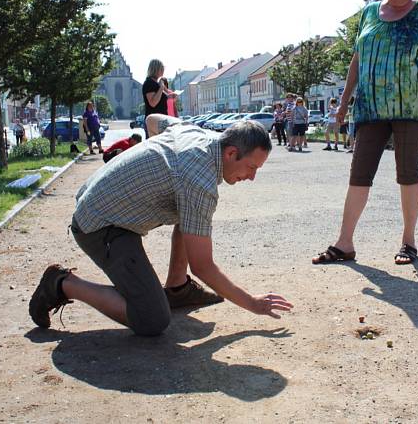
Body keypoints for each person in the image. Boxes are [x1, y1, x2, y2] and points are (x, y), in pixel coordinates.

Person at [28, 115, 292, 336]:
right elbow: (203, 266)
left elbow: (152, 120)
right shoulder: (198, 180)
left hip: (99, 203)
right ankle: (61, 283)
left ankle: (177, 288)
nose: (252, 177)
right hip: (99, 225)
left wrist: (149, 165)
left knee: (188, 214)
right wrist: (253, 303)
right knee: (151, 320)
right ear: (232, 152)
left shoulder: (195, 132)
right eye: (251, 167)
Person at [310, 0, 418, 266]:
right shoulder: (370, 13)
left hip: (411, 106)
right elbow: (357, 59)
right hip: (370, 107)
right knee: (359, 173)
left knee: (408, 172)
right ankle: (344, 243)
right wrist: (344, 102)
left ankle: (408, 242)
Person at [142, 60, 176, 136]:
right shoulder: (149, 83)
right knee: (156, 145)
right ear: (156, 69)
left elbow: (161, 98)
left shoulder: (155, 83)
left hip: (161, 119)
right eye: (162, 68)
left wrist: (170, 96)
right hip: (155, 121)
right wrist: (161, 88)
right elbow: (153, 103)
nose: (163, 70)